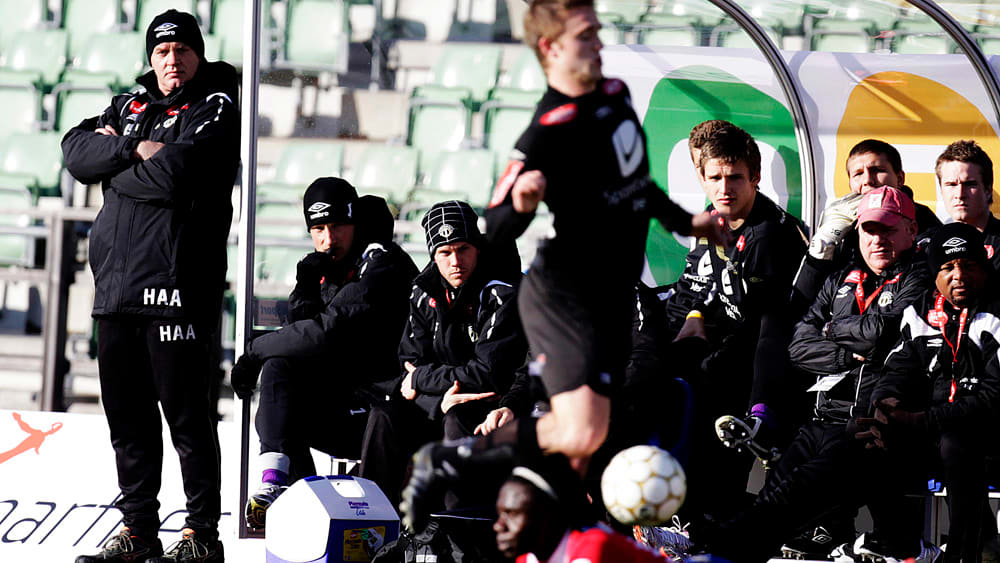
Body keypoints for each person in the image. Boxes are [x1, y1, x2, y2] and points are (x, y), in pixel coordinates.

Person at [398, 0, 726, 533]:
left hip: (611, 295)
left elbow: (637, 186)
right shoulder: (547, 129)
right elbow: (494, 225)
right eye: (585, 35)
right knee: (579, 432)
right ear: (550, 48)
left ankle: (546, 528)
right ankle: (450, 461)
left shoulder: (616, 96)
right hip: (565, 293)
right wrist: (520, 204)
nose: (598, 43)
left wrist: (688, 222)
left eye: (597, 31)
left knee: (584, 438)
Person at [63, 10, 239, 563]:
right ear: (150, 59)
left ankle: (201, 534)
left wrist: (115, 166)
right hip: (116, 288)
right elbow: (74, 153)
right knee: (128, 421)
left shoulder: (215, 105)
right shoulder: (129, 106)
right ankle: (138, 531)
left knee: (187, 418)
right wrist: (132, 149)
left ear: (198, 54)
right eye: (162, 52)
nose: (172, 60)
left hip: (176, 288)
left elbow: (178, 175)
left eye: (182, 50)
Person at [228, 178, 418, 530]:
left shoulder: (382, 262)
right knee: (281, 375)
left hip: (386, 414)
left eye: (338, 226)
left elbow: (326, 333)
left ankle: (308, 505)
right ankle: (284, 489)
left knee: (278, 370)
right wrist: (305, 286)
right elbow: (300, 340)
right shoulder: (330, 268)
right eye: (318, 229)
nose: (329, 239)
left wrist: (253, 351)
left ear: (355, 223)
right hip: (345, 404)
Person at [664, 126, 807, 522]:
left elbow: (763, 325)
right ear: (702, 178)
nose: (724, 188)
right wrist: (692, 318)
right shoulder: (714, 218)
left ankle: (707, 523)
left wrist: (706, 356)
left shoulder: (769, 236)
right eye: (715, 177)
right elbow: (696, 286)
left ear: (755, 178)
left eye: (735, 178)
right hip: (726, 343)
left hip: (764, 362)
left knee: (706, 385)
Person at [782, 187, 932, 560]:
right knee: (780, 480)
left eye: (888, 229)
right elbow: (797, 345)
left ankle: (895, 545)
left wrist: (831, 328)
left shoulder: (921, 275)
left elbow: (882, 332)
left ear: (911, 230)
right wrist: (848, 354)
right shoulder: (839, 279)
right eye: (869, 229)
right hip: (825, 414)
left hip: (878, 419)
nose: (877, 239)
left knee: (844, 455)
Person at [357, 200, 527, 507]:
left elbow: (487, 372)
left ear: (477, 247)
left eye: (463, 249)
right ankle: (372, 516)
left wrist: (422, 379)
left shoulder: (502, 291)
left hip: (489, 401)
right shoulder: (423, 290)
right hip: (438, 400)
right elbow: (409, 362)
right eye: (445, 253)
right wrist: (437, 400)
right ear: (433, 256)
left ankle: (458, 525)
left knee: (457, 420)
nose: (455, 261)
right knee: (384, 415)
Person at [867, 222, 1000, 563]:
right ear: (935, 273)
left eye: (968, 265)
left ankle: (967, 553)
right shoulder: (919, 311)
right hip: (932, 427)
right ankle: (905, 547)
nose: (959, 276)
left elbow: (993, 398)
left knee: (958, 442)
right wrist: (885, 403)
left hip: (986, 432)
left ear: (984, 267)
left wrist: (924, 420)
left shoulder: (997, 311)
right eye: (948, 267)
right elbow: (896, 369)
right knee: (866, 437)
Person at [792, 139, 940, 314]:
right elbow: (800, 307)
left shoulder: (923, 221)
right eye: (858, 174)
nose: (868, 180)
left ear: (900, 178)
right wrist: (822, 247)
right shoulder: (843, 226)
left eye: (877, 170)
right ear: (850, 184)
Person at [494, 464, 669, 563]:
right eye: (500, 514)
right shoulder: (527, 558)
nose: (498, 525)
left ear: (545, 516)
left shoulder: (593, 550)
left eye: (511, 514)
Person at [917, 139, 1000, 272]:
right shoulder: (926, 244)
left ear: (988, 189)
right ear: (941, 190)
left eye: (970, 184)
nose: (960, 194)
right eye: (951, 185)